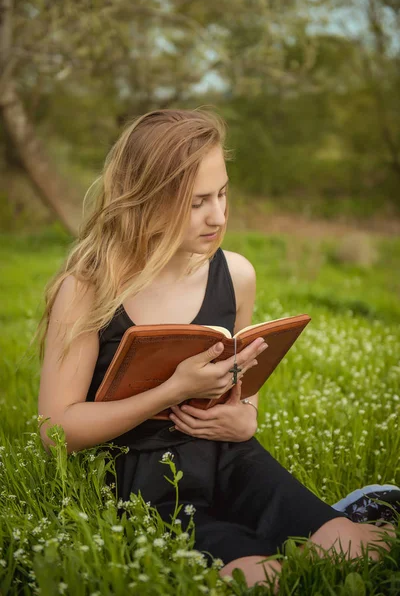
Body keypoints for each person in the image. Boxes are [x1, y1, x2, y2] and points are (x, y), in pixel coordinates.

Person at [36, 108, 399, 589]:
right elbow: (55, 428)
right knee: (261, 578)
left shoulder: (236, 274)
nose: (219, 215)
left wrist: (246, 413)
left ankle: (350, 515)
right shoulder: (88, 287)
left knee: (362, 550)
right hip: (148, 480)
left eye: (223, 193)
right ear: (144, 200)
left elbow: (245, 377)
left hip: (232, 455)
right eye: (197, 202)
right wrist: (170, 391)